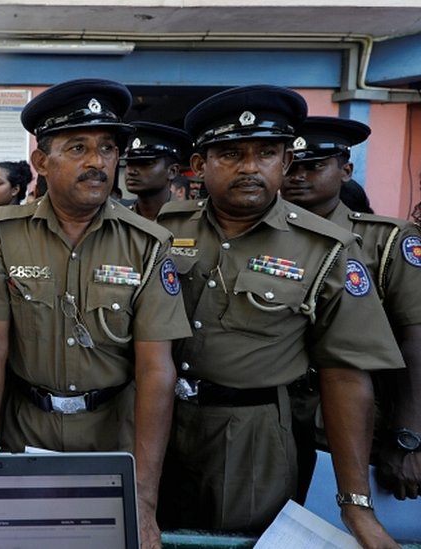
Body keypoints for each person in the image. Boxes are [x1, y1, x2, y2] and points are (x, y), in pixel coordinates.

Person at [156, 86, 405, 547]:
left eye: (266, 153)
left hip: (253, 436)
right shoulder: (164, 231)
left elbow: (346, 376)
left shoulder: (326, 250)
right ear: (198, 166)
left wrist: (355, 503)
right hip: (158, 423)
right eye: (231, 153)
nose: (250, 167)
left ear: (285, 162)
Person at [0, 79, 191, 549]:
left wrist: (144, 498)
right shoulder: (4, 233)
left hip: (113, 435)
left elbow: (155, 370)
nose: (97, 161)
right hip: (25, 426)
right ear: (41, 162)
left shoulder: (147, 244)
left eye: (107, 148)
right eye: (79, 147)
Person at [281, 116, 421, 501]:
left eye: (314, 166)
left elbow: (415, 341)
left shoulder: (386, 241)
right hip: (274, 423)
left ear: (345, 170)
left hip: (358, 424)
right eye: (291, 165)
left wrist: (408, 438)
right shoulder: (263, 237)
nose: (298, 177)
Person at [120, 122, 191, 220]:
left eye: (145, 163)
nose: (131, 171)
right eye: (129, 163)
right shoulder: (120, 218)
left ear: (172, 171)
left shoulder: (190, 219)